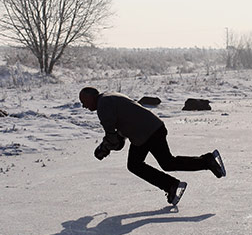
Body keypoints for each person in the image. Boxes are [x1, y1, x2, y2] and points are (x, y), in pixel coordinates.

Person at [79, 87, 226, 206]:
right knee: (163, 163)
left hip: (147, 132)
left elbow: (112, 136)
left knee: (146, 164)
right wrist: (111, 143)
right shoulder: (109, 96)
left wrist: (103, 149)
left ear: (91, 97)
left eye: (83, 101)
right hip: (148, 129)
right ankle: (190, 173)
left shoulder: (103, 105)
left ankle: (179, 180)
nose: (83, 106)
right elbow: (125, 122)